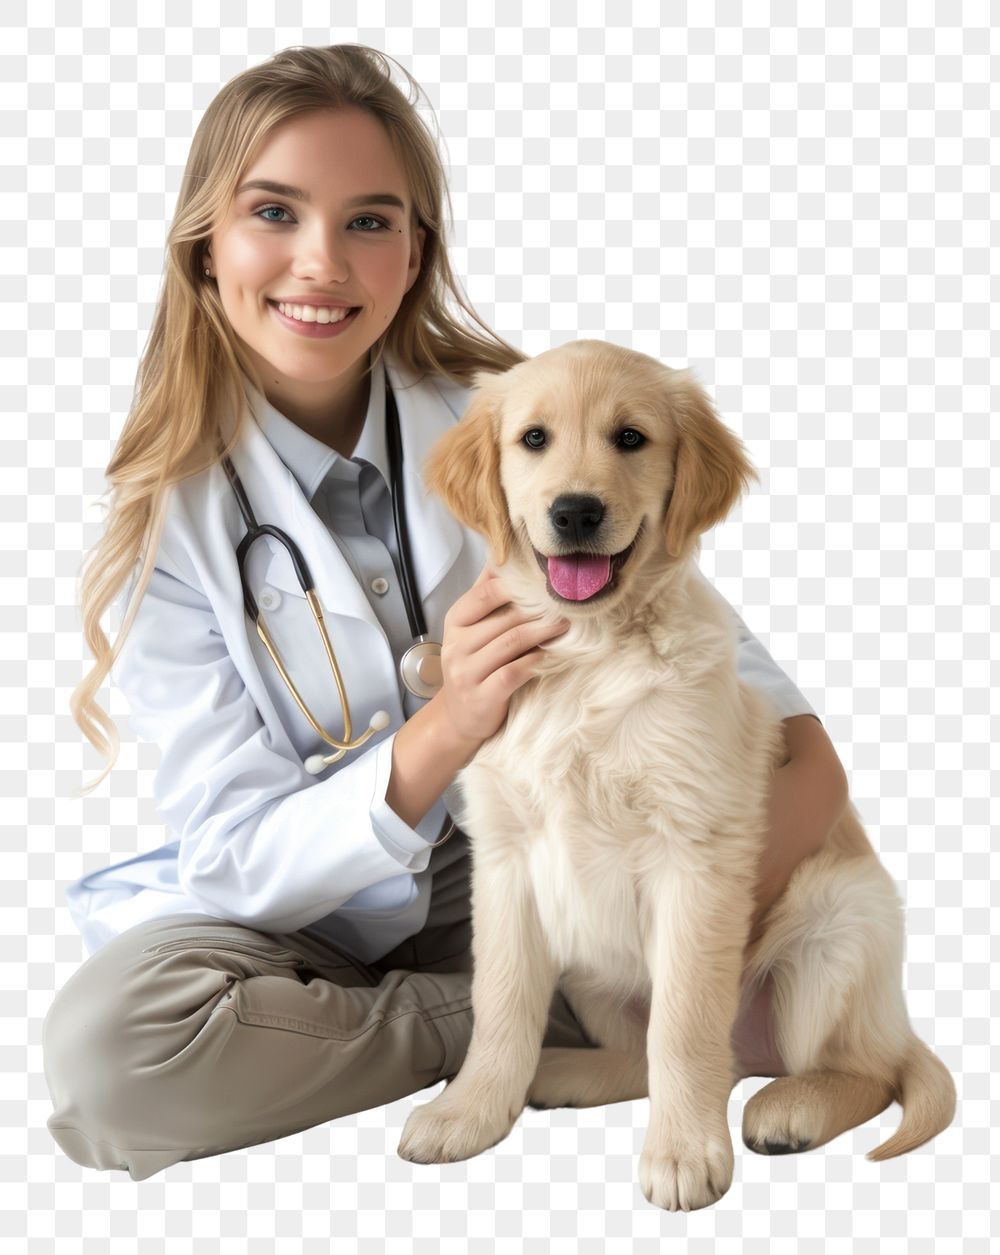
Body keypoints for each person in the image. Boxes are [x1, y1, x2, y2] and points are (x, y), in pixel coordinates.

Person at [42, 44, 849, 1181]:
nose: (321, 262)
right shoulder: (163, 520)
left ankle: (533, 1019)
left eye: (370, 220)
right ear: (203, 241)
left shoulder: (533, 420)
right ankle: (502, 1022)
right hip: (305, 902)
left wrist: (710, 929)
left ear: (414, 250)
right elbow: (231, 856)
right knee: (111, 1060)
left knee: (608, 903)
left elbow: (756, 710)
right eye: (273, 211)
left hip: (543, 869)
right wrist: (448, 724)